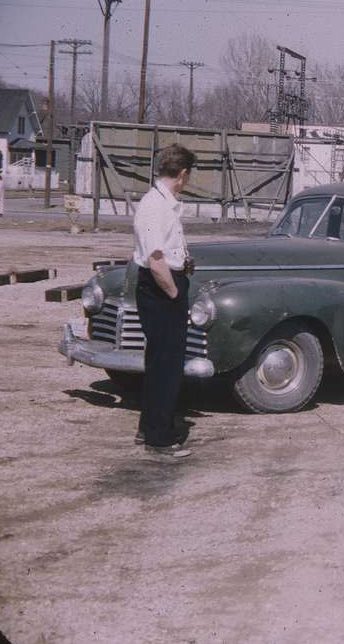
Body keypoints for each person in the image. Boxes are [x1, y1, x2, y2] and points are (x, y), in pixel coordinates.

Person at [132, 143, 196, 460]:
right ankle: (159, 439)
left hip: (166, 282)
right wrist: (174, 293)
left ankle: (149, 426)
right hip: (161, 288)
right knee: (166, 366)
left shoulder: (164, 203)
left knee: (159, 362)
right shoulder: (154, 206)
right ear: (182, 174)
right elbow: (155, 260)